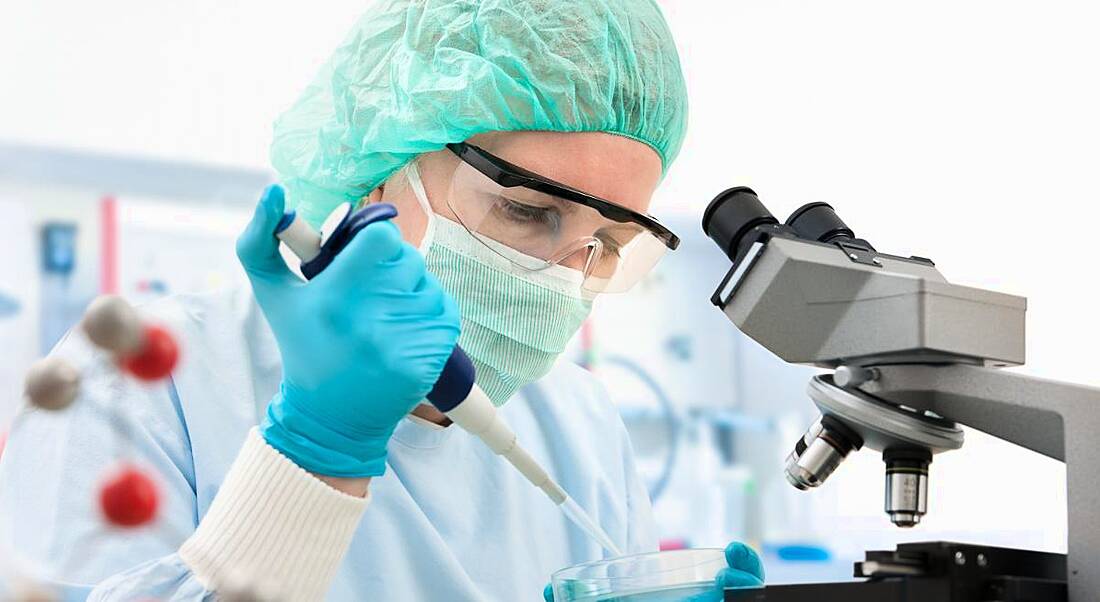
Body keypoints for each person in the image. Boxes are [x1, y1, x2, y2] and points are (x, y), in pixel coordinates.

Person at [0, 0, 766, 599]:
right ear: (381, 166)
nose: (562, 275)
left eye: (607, 244)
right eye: (527, 211)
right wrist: (311, 456)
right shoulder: (145, 379)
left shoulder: (583, 425)